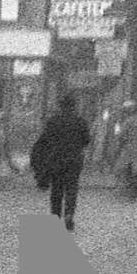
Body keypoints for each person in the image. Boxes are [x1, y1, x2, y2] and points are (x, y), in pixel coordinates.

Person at [31, 90, 91, 229]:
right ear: (74, 106)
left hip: (56, 159)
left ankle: (55, 217)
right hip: (74, 159)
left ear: (60, 106)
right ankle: (69, 213)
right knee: (71, 187)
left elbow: (44, 140)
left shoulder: (53, 121)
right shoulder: (80, 121)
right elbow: (87, 140)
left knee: (56, 189)